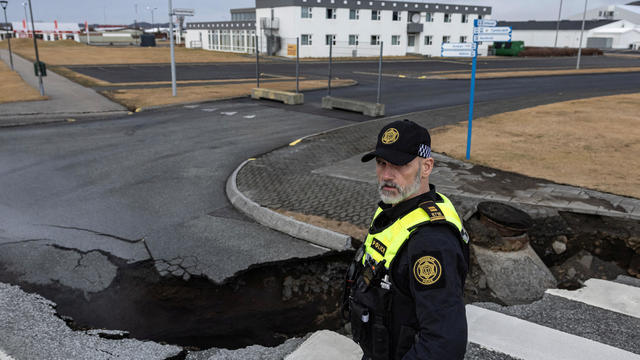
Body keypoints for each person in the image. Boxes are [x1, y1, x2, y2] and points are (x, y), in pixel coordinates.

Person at [343, 119, 470, 360]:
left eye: (400, 165)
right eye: (381, 164)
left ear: (426, 167)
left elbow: (444, 344)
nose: (387, 175)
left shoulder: (431, 243)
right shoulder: (396, 209)